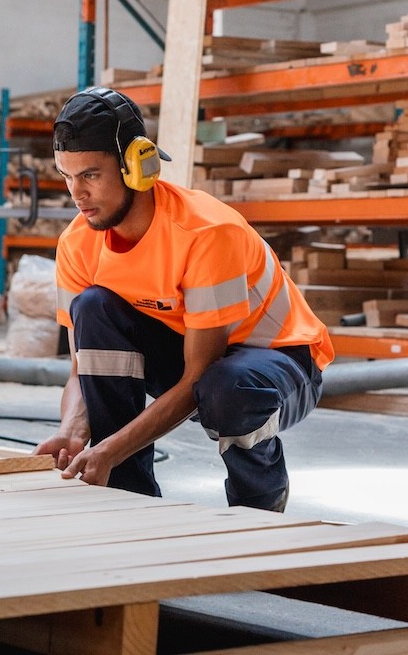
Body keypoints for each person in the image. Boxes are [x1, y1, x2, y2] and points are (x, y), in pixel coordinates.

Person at [33, 86, 334, 512]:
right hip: (200, 362)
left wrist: (111, 447)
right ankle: (128, 500)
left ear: (137, 166)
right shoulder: (77, 244)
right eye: (66, 175)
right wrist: (73, 429)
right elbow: (82, 371)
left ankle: (258, 506)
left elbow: (198, 378)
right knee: (92, 308)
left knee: (225, 389)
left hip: (278, 363)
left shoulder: (205, 234)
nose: (75, 193)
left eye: (91, 175)